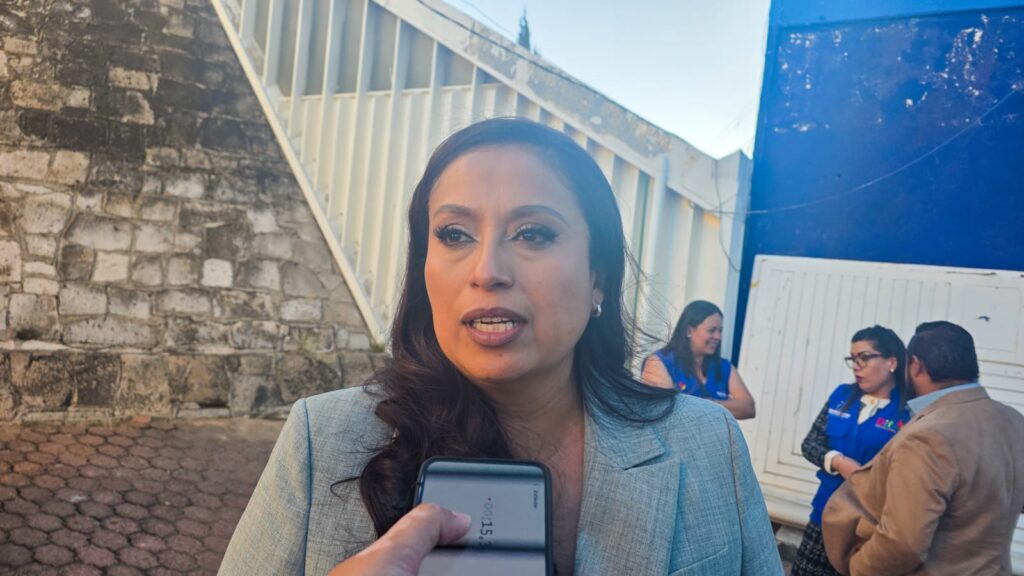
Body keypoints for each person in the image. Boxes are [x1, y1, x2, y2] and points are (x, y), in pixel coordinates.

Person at [219, 118, 782, 575]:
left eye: (533, 233)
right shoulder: (322, 439)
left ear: (599, 278)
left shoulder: (710, 446)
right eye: (454, 234)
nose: (487, 270)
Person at [823, 321, 1024, 575]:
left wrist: (858, 568)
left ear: (915, 365)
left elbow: (901, 544)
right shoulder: (1013, 421)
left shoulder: (927, 436)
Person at [791, 326, 912, 576]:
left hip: (867, 526)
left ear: (891, 362)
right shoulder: (842, 396)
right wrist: (838, 461)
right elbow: (810, 444)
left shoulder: (907, 412)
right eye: (853, 359)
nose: (857, 366)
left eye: (865, 358)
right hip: (825, 514)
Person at [641, 300, 756, 419]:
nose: (718, 337)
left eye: (720, 331)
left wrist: (710, 404)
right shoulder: (658, 362)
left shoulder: (724, 367)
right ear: (689, 331)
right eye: (711, 330)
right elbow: (666, 409)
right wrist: (718, 406)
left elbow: (748, 407)